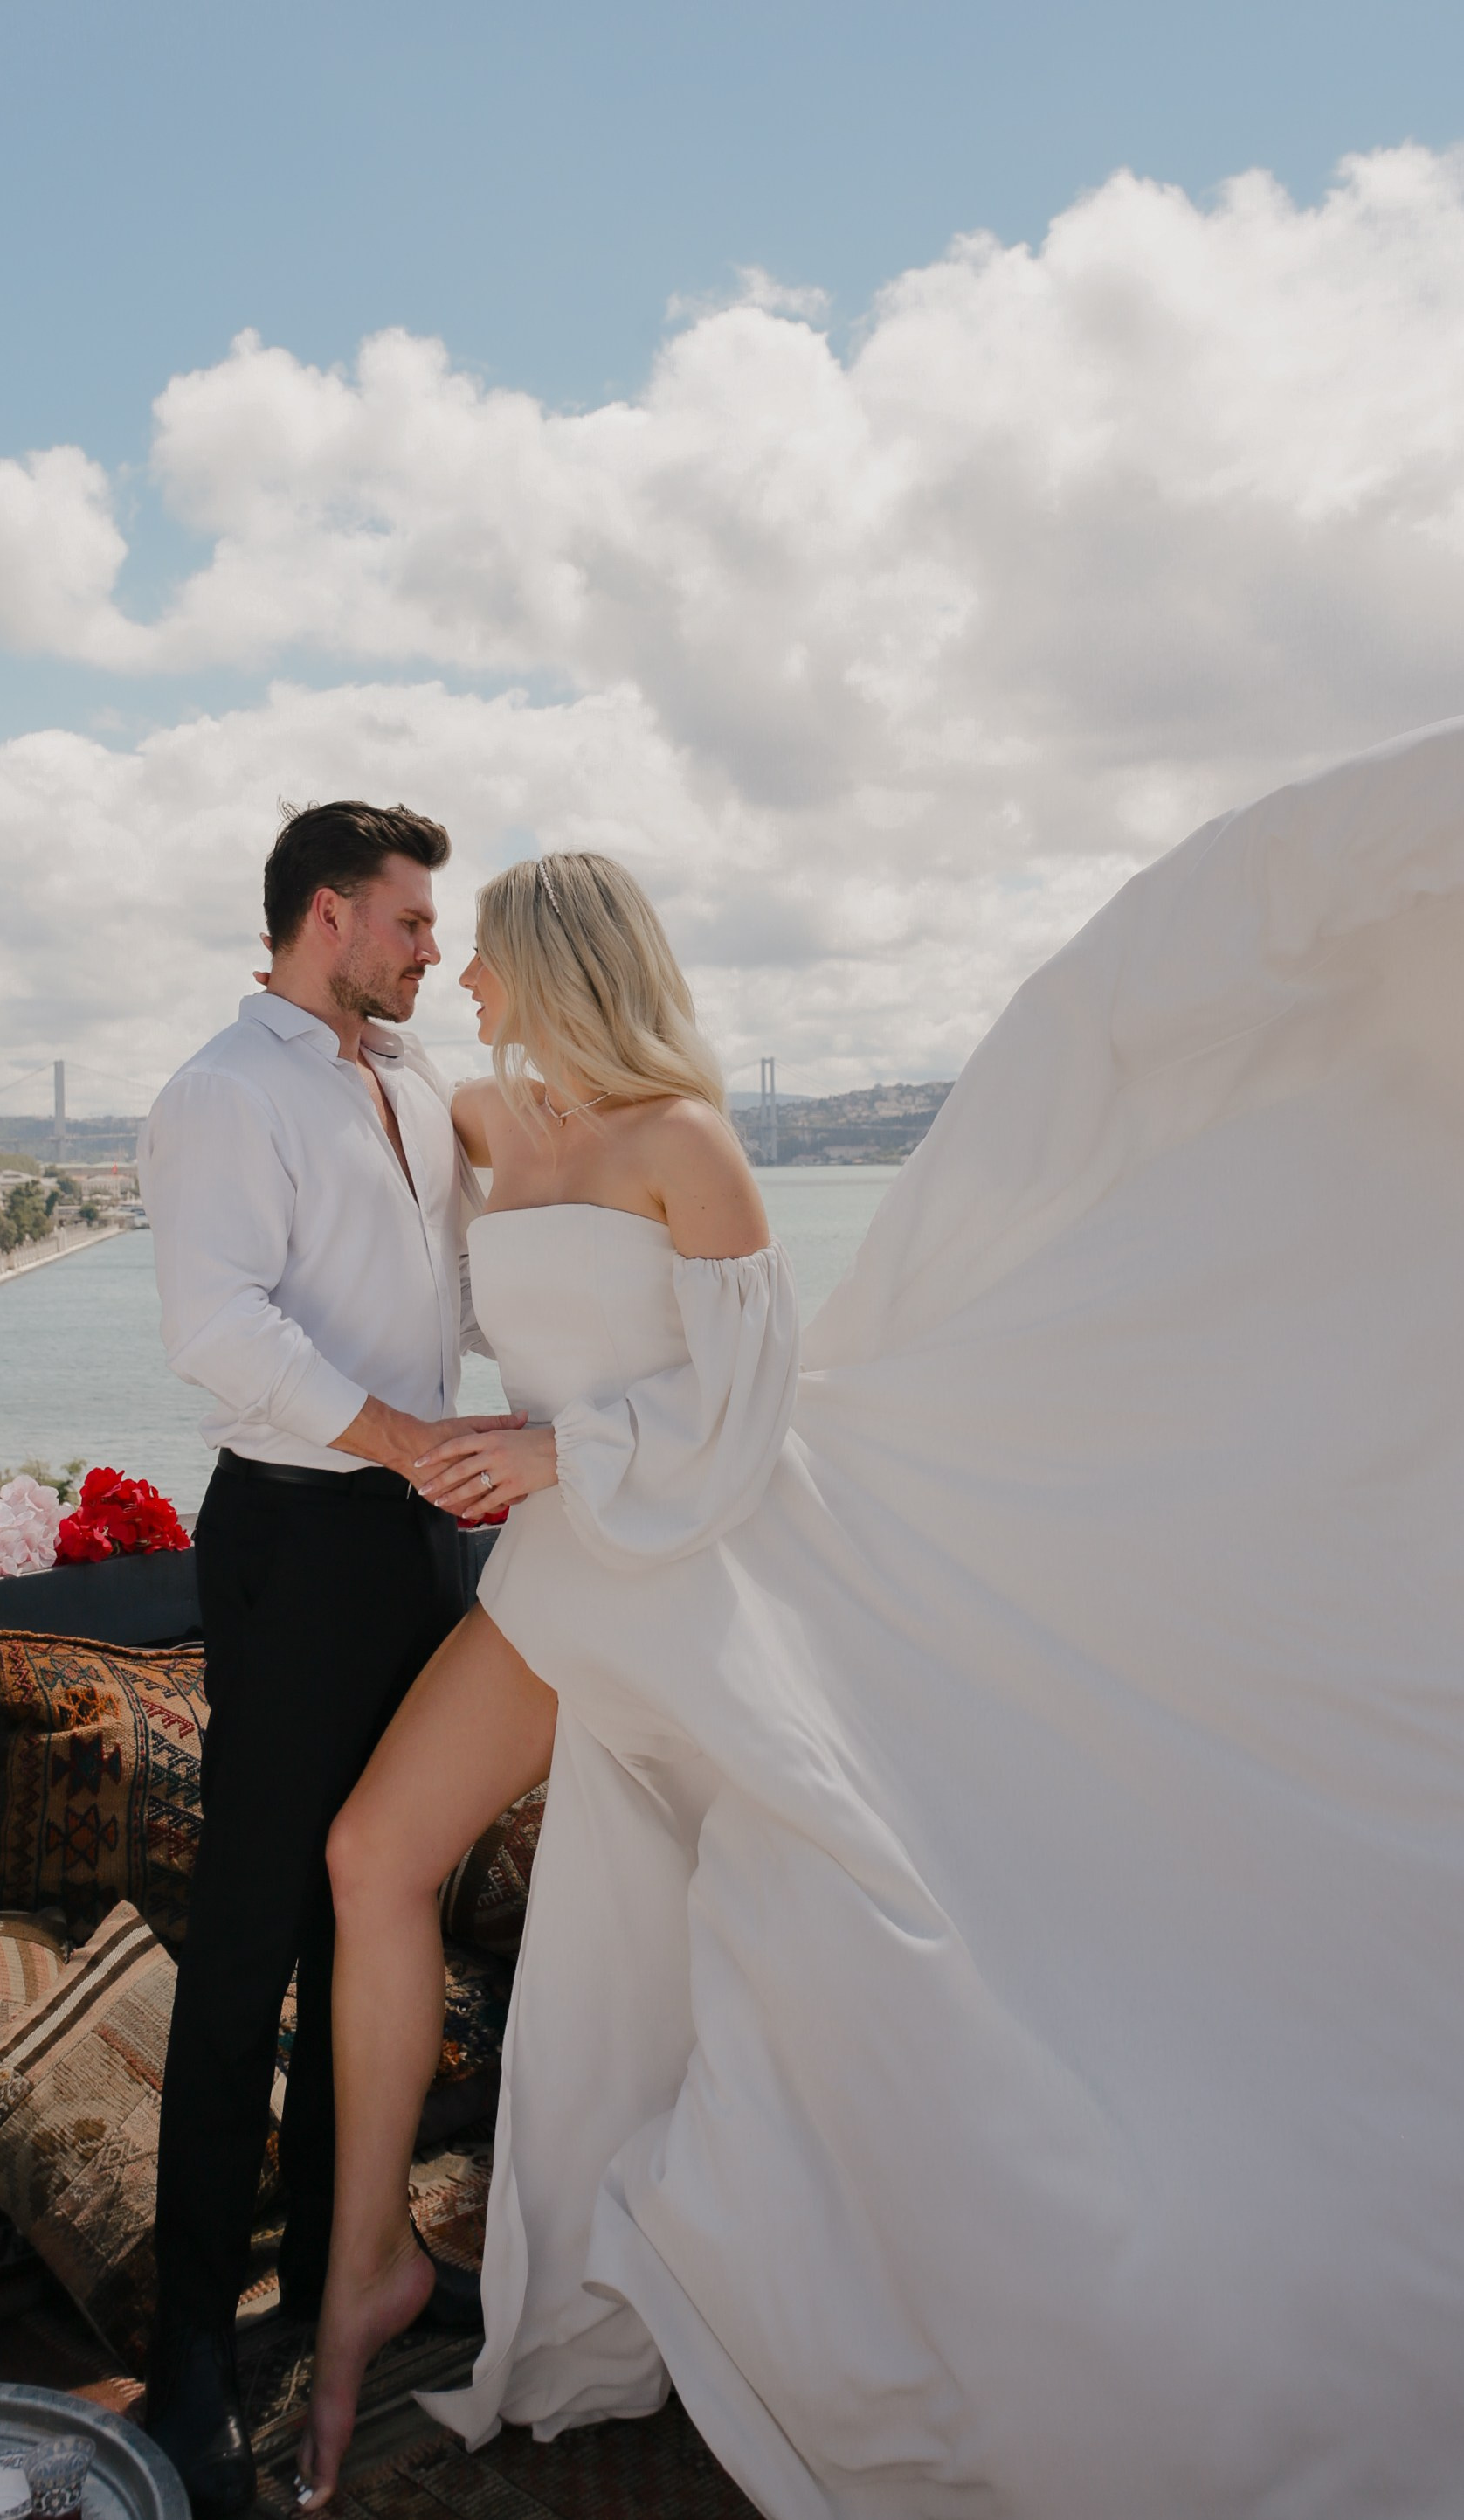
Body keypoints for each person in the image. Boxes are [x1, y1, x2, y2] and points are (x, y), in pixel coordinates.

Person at [297, 722, 1464, 2519]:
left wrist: (558, 1444)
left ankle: (995, 2292)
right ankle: (370, 2267)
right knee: (378, 1847)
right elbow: (362, 1129)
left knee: (846, 1942)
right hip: (559, 1581)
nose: (464, 967)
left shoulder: (690, 1143)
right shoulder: (478, 1115)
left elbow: (747, 1404)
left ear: (567, 959)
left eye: (493, 940)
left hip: (694, 1569)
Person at [138, 799, 521, 2520]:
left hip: (422, 1537)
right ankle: (191, 2355)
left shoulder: (418, 1088)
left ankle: (341, 2273)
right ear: (321, 918)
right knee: (253, 1937)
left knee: (385, 1903)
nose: (435, 946)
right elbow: (221, 1330)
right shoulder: (222, 1093)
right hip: (299, 1540)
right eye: (411, 921)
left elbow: (454, 1298)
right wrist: (405, 1440)